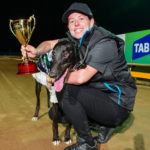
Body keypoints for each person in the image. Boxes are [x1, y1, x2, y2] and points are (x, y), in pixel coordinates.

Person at [21, 2, 137, 150]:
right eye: (71, 21)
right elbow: (50, 44)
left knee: (65, 89)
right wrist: (36, 51)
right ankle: (102, 126)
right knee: (56, 114)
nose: (76, 24)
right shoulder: (74, 42)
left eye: (81, 19)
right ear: (68, 27)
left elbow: (81, 77)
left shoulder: (105, 42)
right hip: (98, 97)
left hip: (117, 104)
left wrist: (52, 77)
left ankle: (88, 143)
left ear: (91, 22)